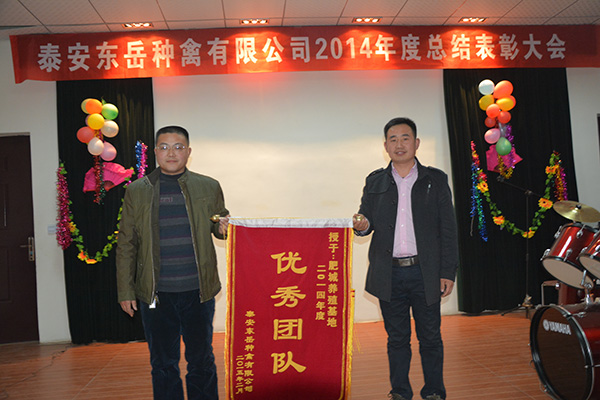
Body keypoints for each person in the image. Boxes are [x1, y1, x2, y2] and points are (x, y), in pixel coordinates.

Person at [117, 125, 229, 400]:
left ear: (188, 152)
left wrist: (223, 228)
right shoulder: (137, 191)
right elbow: (127, 243)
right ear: (155, 152)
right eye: (164, 147)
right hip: (156, 293)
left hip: (198, 291)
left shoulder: (209, 186)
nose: (171, 153)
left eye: (178, 147)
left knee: (201, 360)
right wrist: (126, 290)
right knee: (163, 364)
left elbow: (219, 225)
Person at [353, 117, 458, 400]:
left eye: (405, 138)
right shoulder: (375, 180)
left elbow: (448, 230)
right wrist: (361, 224)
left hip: (425, 272)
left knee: (430, 337)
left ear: (416, 143)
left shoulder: (435, 180)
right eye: (393, 139)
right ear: (386, 146)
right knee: (397, 338)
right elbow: (366, 221)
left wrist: (447, 272)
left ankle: (434, 391)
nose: (399, 144)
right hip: (389, 273)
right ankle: (400, 391)